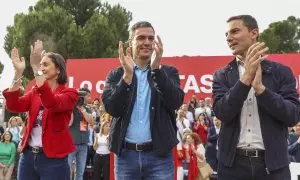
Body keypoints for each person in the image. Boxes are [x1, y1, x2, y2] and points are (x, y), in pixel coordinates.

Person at [212, 15, 300, 180]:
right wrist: (245, 80)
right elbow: (222, 112)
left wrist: (261, 89)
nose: (229, 38)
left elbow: (292, 115)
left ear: (254, 33)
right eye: (226, 35)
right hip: (231, 166)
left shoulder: (281, 72)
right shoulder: (221, 75)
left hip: (273, 166)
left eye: (235, 31)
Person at [102, 21, 184, 180]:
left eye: (151, 38)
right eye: (141, 38)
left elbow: (175, 102)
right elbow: (112, 108)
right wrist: (127, 77)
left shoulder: (168, 72)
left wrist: (156, 71)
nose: (146, 42)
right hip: (126, 157)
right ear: (131, 42)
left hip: (159, 156)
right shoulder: (117, 74)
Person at [3, 40, 78, 180]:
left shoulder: (70, 93)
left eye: (46, 64)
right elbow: (13, 106)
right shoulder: (34, 92)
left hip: (54, 160)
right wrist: (18, 72)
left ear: (58, 70)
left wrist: (36, 67)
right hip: (28, 157)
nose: (42, 67)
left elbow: (51, 102)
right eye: (40, 64)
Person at [68, 88, 94, 180]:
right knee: (67, 170)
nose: (89, 98)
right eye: (87, 96)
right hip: (71, 145)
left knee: (80, 172)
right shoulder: (70, 107)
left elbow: (91, 121)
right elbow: (69, 123)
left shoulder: (87, 109)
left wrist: (82, 109)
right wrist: (72, 104)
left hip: (83, 145)